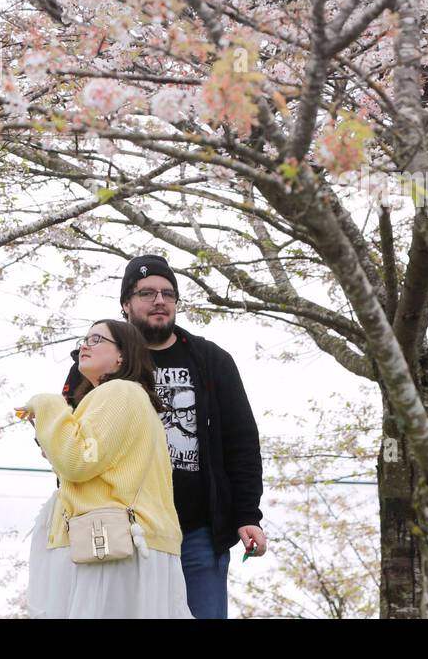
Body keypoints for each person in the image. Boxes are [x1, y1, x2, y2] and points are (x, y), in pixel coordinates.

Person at [60, 254, 266, 619]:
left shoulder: (210, 360)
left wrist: (248, 513)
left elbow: (241, 441)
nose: (159, 301)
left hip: (198, 532)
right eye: (147, 293)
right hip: (125, 530)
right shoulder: (99, 359)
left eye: (168, 294)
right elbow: (71, 440)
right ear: (126, 304)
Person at [22, 319, 193, 619]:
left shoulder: (119, 392)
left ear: (122, 355)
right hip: (128, 542)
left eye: (97, 339)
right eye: (84, 340)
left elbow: (77, 461)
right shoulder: (129, 397)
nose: (84, 346)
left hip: (109, 545)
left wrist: (48, 405)